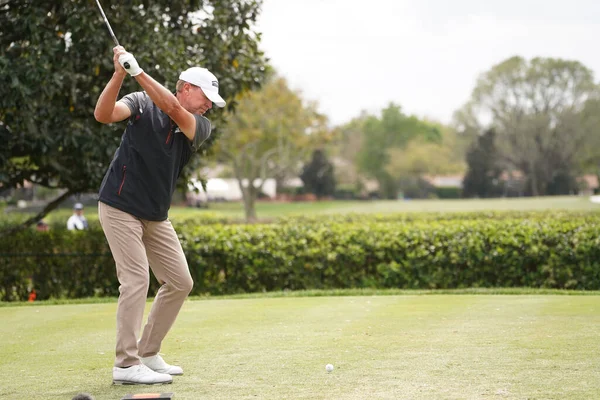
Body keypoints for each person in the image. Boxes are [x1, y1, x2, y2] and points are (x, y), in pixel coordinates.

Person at [94, 46, 225, 385]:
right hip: (120, 206)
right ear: (186, 87)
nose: (210, 104)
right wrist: (119, 74)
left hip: (155, 214)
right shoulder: (140, 103)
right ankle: (126, 365)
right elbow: (104, 114)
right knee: (137, 280)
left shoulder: (200, 124)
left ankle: (148, 352)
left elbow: (171, 107)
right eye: (206, 96)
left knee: (181, 281)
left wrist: (137, 70)